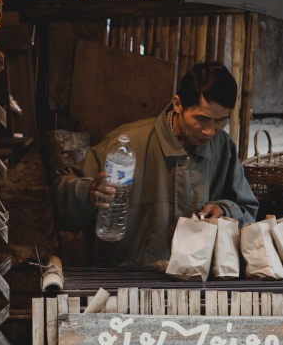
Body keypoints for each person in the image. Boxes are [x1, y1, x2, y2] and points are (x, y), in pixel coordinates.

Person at [50, 62, 259, 267]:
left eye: (220, 121)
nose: (210, 131)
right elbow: (59, 195)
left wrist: (224, 210)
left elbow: (247, 210)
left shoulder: (224, 148)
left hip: (196, 280)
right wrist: (88, 192)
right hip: (128, 280)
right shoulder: (127, 144)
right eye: (202, 119)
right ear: (178, 104)